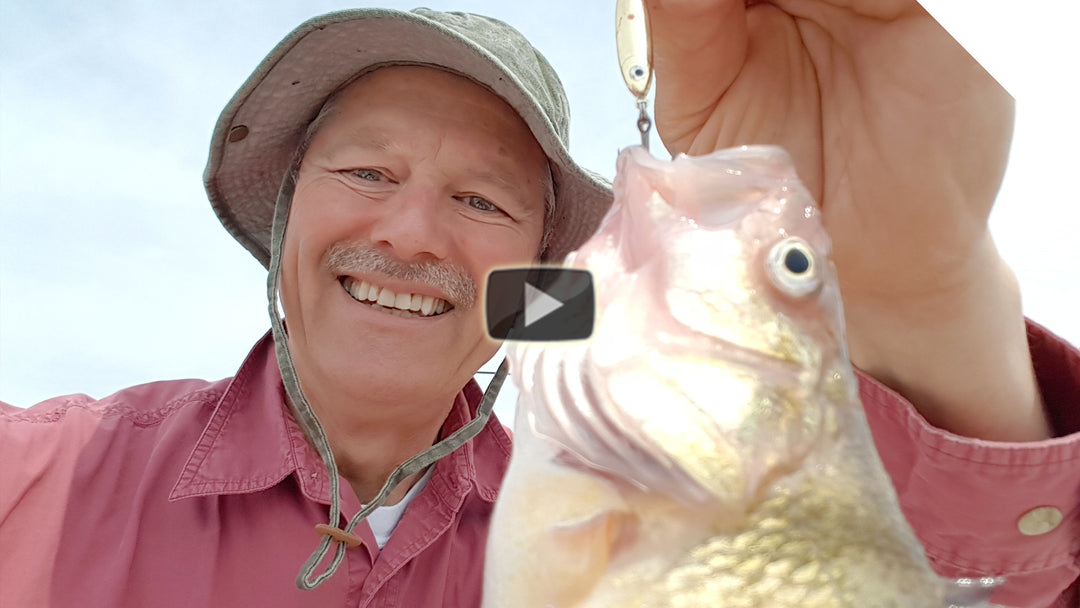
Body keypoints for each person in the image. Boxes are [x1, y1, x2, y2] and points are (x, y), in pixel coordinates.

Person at [0, 3, 1076, 608]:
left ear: (538, 289)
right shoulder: (38, 478)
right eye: (367, 174)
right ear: (285, 227)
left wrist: (931, 297)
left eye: (478, 198)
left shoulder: (627, 526)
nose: (412, 233)